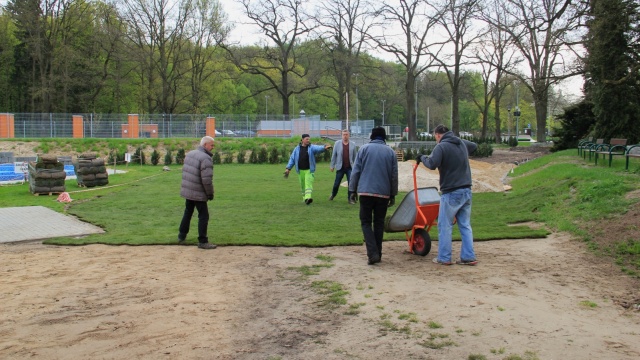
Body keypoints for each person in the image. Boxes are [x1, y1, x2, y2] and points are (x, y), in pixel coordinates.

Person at [416, 124, 478, 265]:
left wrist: (422, 157)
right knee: (465, 225)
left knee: (444, 225)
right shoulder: (460, 142)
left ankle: (444, 257)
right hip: (466, 189)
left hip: (451, 191)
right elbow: (474, 146)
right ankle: (468, 256)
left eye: (435, 137)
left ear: (438, 135)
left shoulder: (441, 147)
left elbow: (432, 163)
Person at [348, 127, 398, 265]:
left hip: (365, 192)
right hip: (383, 193)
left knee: (365, 222)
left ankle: (372, 253)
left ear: (372, 136)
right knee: (379, 223)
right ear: (384, 138)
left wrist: (352, 190)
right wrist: (393, 194)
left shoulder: (364, 149)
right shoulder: (391, 152)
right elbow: (394, 176)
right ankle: (378, 253)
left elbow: (356, 171)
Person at [178, 136, 217, 249]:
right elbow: (207, 179)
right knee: (204, 215)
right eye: (212, 145)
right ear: (205, 145)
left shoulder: (190, 154)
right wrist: (210, 194)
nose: (213, 147)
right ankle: (202, 241)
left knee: (188, 212)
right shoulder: (205, 158)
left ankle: (181, 235)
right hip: (198, 192)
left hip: (188, 190)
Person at [285, 134, 332, 205]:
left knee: (308, 184)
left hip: (309, 170)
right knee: (303, 185)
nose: (308, 140)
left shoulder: (311, 147)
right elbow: (292, 159)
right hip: (300, 171)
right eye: (307, 139)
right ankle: (305, 198)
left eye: (309, 139)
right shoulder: (297, 149)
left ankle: (308, 198)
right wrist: (288, 168)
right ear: (302, 139)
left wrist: (324, 147)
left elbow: (318, 148)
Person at [329, 129, 357, 204]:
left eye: (346, 134)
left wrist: (356, 167)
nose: (345, 136)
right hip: (340, 167)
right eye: (344, 135)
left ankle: (350, 199)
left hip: (350, 168)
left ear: (349, 135)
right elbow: (334, 155)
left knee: (351, 184)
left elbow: (355, 157)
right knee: (336, 183)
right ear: (341, 135)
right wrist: (332, 166)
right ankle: (333, 194)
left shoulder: (353, 144)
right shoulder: (337, 143)